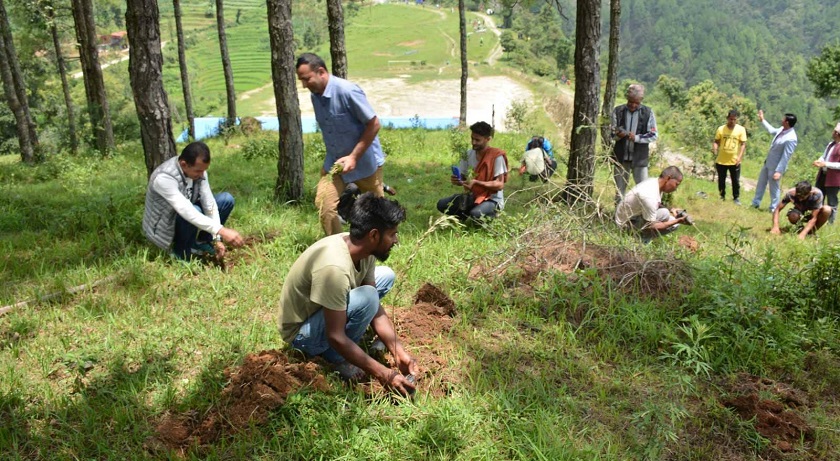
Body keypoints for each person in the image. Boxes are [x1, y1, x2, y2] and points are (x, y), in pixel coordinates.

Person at [277, 193, 418, 395]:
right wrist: (384, 374)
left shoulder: (362, 249)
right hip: (301, 334)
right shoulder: (334, 268)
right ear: (374, 235)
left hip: (325, 309)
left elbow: (375, 307)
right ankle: (335, 358)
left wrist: (399, 352)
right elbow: (335, 336)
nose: (396, 240)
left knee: (385, 277)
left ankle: (346, 348)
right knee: (369, 296)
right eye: (393, 234)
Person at [295, 53, 387, 236]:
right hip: (336, 164)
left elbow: (374, 124)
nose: (304, 85)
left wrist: (354, 157)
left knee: (378, 210)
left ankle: (385, 240)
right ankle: (339, 247)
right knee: (324, 205)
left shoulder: (347, 91)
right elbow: (331, 131)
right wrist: (327, 164)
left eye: (307, 79)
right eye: (301, 81)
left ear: (321, 72)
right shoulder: (316, 96)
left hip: (364, 162)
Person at [142, 142, 244, 260]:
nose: (202, 175)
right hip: (163, 228)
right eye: (198, 171)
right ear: (184, 164)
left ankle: (202, 242)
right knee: (195, 210)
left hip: (184, 215)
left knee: (226, 199)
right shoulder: (164, 178)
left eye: (203, 170)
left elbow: (209, 203)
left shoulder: (199, 172)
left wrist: (216, 237)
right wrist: (221, 230)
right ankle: (182, 252)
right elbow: (186, 210)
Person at [437, 121, 509, 222]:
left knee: (476, 214)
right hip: (472, 196)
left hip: (492, 199)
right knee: (442, 204)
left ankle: (493, 214)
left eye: (477, 140)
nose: (473, 142)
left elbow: (499, 184)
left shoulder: (496, 157)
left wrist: (476, 182)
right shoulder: (468, 155)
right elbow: (463, 178)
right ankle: (464, 215)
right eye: (472, 138)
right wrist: (457, 180)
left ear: (487, 139)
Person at [615, 166, 691, 242]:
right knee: (670, 220)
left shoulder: (655, 183)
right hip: (626, 226)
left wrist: (671, 209)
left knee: (666, 213)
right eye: (676, 184)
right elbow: (651, 226)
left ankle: (641, 238)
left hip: (632, 218)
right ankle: (640, 240)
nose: (676, 188)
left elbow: (656, 204)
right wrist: (678, 221)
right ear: (668, 178)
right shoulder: (650, 195)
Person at [611, 84, 658, 202]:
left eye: (636, 102)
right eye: (630, 101)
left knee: (643, 190)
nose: (633, 105)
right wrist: (618, 136)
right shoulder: (618, 111)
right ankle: (619, 216)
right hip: (620, 158)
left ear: (641, 101)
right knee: (619, 190)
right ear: (627, 98)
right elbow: (610, 133)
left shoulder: (648, 113)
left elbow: (653, 135)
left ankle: (640, 217)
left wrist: (636, 138)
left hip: (640, 159)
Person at [751, 110, 798, 212]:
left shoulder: (791, 138)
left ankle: (773, 208)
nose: (781, 120)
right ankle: (755, 203)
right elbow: (772, 130)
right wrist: (762, 120)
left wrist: (779, 171)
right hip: (768, 162)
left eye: (783, 119)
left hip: (776, 166)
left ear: (787, 122)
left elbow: (786, 156)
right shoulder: (782, 129)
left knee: (774, 188)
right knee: (761, 183)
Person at [712, 109, 748, 204]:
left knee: (735, 181)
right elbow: (716, 141)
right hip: (721, 160)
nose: (732, 121)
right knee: (721, 179)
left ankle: (736, 197)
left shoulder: (741, 129)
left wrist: (739, 157)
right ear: (727, 118)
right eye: (731, 119)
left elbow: (743, 144)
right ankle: (722, 195)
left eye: (734, 119)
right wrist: (715, 149)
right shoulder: (721, 129)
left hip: (734, 160)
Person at [812, 122, 840, 224]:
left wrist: (825, 164)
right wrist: (819, 161)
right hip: (823, 176)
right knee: (818, 198)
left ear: (837, 133)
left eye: (834, 131)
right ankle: (816, 220)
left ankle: (830, 223)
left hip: (834, 180)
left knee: (832, 202)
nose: (832, 133)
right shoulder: (830, 144)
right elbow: (824, 156)